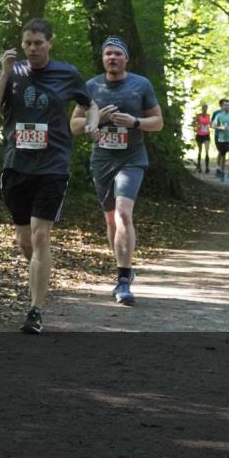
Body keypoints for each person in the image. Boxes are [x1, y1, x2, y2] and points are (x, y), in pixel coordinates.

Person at [0, 18, 99, 333]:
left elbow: (91, 105)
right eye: (27, 44)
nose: (32, 48)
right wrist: (5, 74)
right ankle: (41, 272)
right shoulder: (12, 73)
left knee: (40, 235)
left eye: (38, 43)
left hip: (53, 165)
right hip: (16, 165)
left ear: (50, 42)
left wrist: (92, 123)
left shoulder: (67, 73)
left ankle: (35, 309)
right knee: (25, 240)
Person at [71, 36, 163, 306]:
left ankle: (123, 280)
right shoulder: (91, 86)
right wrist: (96, 119)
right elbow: (74, 125)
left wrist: (134, 122)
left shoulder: (140, 85)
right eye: (108, 54)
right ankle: (123, 268)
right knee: (111, 220)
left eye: (117, 54)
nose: (112, 58)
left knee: (124, 213)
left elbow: (157, 122)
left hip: (132, 158)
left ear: (126, 59)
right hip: (102, 160)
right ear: (103, 58)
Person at [211, 99, 229, 182]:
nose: (227, 106)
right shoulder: (219, 116)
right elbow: (213, 125)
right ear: (222, 107)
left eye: (228, 105)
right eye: (225, 105)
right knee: (223, 156)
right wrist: (220, 128)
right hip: (221, 139)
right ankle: (222, 172)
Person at [194, 103, 212, 173]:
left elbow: (210, 124)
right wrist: (197, 126)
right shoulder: (198, 116)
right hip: (199, 134)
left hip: (206, 135)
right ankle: (199, 167)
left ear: (207, 109)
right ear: (202, 109)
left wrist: (210, 125)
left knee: (207, 151)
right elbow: (194, 124)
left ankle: (207, 167)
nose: (204, 109)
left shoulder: (208, 115)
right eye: (203, 108)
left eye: (206, 108)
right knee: (200, 151)